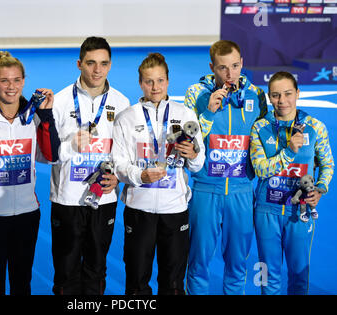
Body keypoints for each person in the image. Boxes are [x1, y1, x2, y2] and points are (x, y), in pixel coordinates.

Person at [0, 51, 60, 295]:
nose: (11, 86)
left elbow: (51, 155)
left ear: (24, 81)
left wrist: (47, 115)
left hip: (27, 214)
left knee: (22, 283)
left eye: (17, 80)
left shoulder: (35, 115)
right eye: (5, 80)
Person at [112, 53, 205, 295]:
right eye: (149, 81)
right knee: (136, 282)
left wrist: (193, 155)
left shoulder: (185, 114)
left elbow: (197, 165)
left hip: (174, 210)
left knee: (173, 284)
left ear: (168, 81)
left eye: (160, 81)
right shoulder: (126, 118)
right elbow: (119, 164)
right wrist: (139, 176)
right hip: (139, 209)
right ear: (140, 83)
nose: (155, 87)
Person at [184, 40, 267, 295]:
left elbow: (264, 141)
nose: (229, 74)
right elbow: (188, 140)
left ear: (241, 63)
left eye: (234, 66)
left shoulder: (257, 95)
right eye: (222, 68)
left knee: (237, 264)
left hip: (241, 192)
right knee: (198, 263)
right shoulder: (195, 93)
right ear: (212, 67)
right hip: (206, 190)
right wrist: (208, 111)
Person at [50, 36, 130, 295]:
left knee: (96, 270)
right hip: (67, 200)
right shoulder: (60, 102)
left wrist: (118, 177)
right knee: (65, 272)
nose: (97, 70)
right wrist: (70, 145)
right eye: (91, 63)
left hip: (103, 200)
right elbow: (46, 154)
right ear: (79, 64)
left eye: (104, 63)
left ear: (110, 65)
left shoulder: (122, 103)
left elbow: (125, 153)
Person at [250, 71, 334, 295]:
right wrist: (289, 151)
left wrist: (321, 189)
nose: (282, 101)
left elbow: (327, 165)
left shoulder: (315, 127)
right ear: (269, 97)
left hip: (300, 212)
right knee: (268, 278)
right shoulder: (259, 127)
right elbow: (260, 169)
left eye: (288, 94)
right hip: (267, 210)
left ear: (298, 93)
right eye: (276, 95)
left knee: (298, 277)